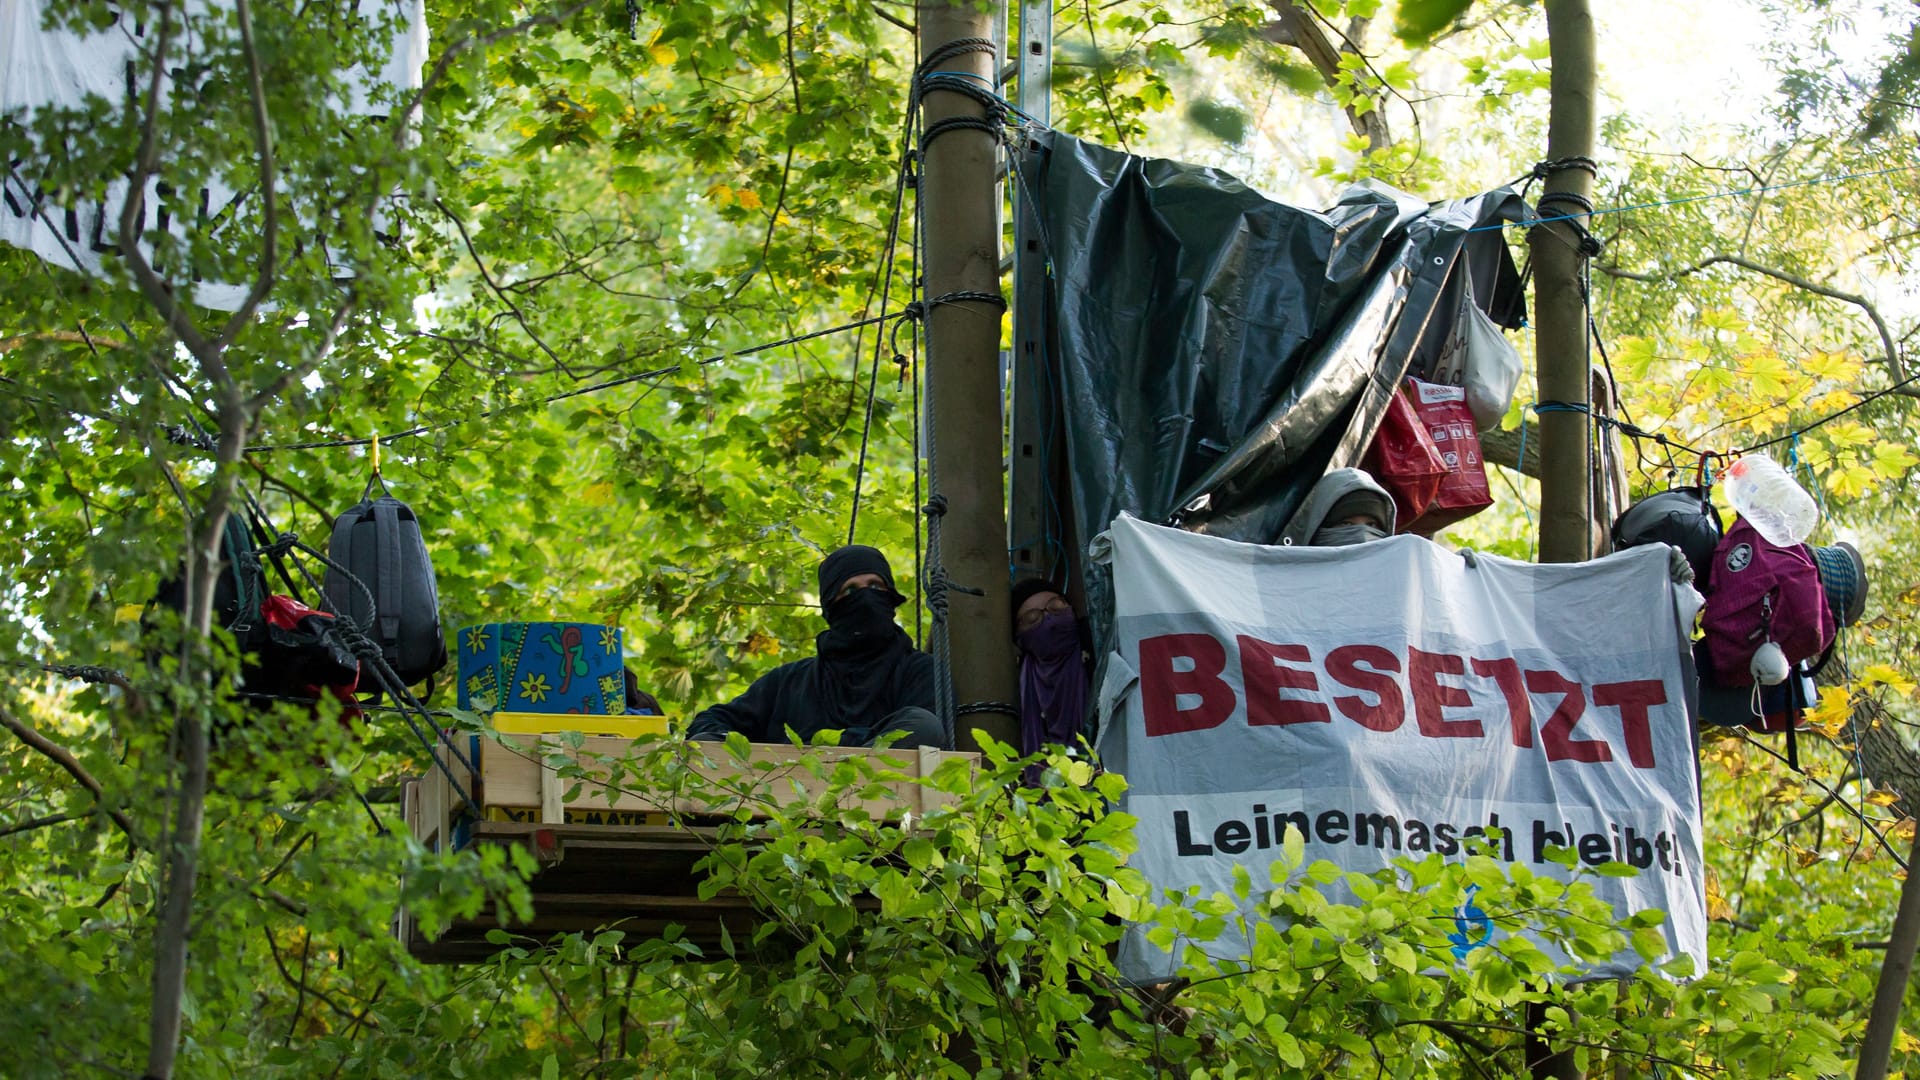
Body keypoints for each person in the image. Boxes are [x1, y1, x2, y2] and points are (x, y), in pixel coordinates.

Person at [685, 545, 948, 749]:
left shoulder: (920, 672)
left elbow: (927, 735)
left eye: (875, 586)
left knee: (922, 725)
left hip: (885, 807)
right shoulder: (788, 681)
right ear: (832, 607)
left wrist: (813, 747)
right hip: (787, 805)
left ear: (890, 597)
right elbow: (710, 722)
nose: (866, 597)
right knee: (707, 740)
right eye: (850, 591)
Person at [1010, 578, 1093, 765]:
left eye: (1056, 607)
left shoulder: (1097, 648)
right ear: (1020, 637)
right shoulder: (1019, 683)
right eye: (1032, 618)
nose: (1049, 619)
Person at [1280, 467, 1398, 547]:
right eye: (1346, 524)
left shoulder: (1401, 579)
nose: (1362, 536)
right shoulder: (1288, 580)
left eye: (1371, 525)